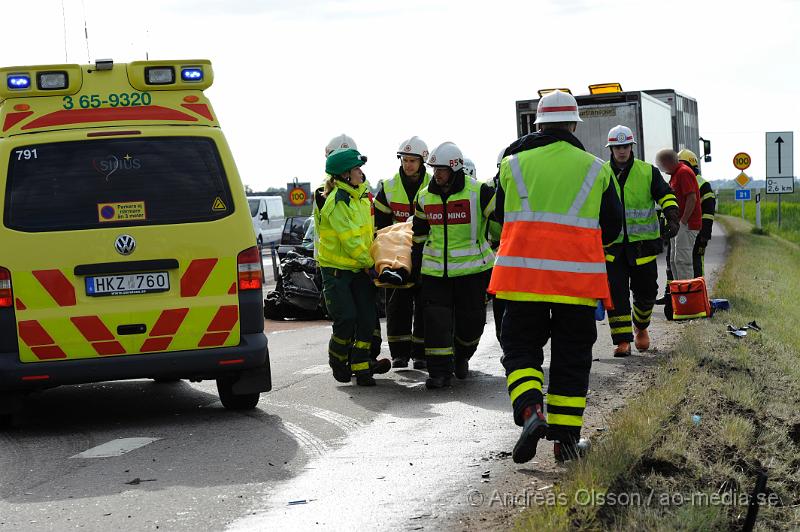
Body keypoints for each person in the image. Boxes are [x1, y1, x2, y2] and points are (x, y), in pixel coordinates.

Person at [489, 90, 623, 463]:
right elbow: (612, 228)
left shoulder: (512, 165)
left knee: (520, 351)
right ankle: (565, 444)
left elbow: (500, 216)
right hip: (577, 285)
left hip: (520, 282)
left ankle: (531, 411)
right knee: (571, 360)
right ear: (573, 124)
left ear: (538, 125)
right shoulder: (597, 168)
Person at [411, 141, 496, 389]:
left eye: (441, 169)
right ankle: (439, 373)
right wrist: (416, 270)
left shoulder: (479, 192)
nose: (436, 174)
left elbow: (501, 218)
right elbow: (419, 236)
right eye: (434, 169)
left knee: (472, 322)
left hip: (473, 272)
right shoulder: (424, 196)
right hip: (435, 273)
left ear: (455, 168)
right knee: (436, 323)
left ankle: (462, 356)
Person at [603, 125, 679, 357]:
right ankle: (622, 340)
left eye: (625, 146)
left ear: (631, 147)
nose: (622, 151)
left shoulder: (648, 171)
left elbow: (665, 194)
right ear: (612, 148)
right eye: (618, 147)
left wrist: (672, 214)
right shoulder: (601, 172)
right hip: (612, 246)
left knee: (646, 292)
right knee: (616, 295)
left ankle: (641, 327)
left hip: (643, 245)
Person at [317, 148, 391, 386]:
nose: (361, 172)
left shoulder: (362, 197)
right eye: (357, 169)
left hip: (359, 268)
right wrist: (372, 264)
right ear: (345, 174)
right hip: (337, 272)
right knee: (346, 318)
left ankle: (361, 367)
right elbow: (351, 242)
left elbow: (369, 235)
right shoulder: (337, 202)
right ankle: (338, 361)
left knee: (368, 320)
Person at [373, 136, 432, 370]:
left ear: (422, 161)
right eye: (405, 160)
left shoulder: (433, 184)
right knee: (396, 305)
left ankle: (421, 354)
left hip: (426, 253)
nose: (408, 165)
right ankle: (399, 354)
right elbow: (379, 226)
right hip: (396, 256)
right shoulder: (388, 188)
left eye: (412, 161)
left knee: (426, 304)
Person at [656, 149, 701, 281]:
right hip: (680, 224)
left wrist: (683, 221)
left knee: (682, 261)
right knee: (674, 260)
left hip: (686, 224)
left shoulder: (683, 172)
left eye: (662, 165)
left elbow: (691, 198)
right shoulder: (676, 174)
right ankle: (679, 293)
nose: (662, 169)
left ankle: (686, 296)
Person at [678, 149, 716, 277]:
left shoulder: (703, 185)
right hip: (679, 232)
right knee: (675, 263)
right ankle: (671, 293)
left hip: (697, 233)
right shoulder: (675, 181)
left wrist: (704, 234)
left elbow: (708, 212)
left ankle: (699, 293)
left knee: (696, 261)